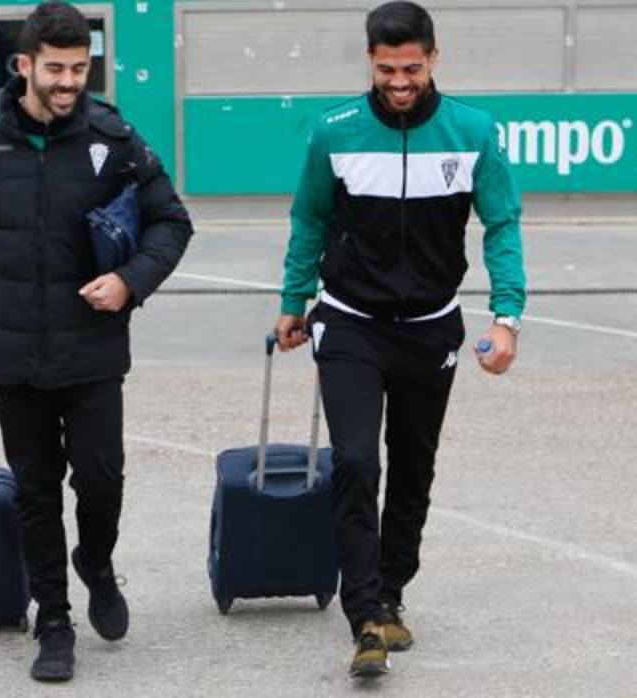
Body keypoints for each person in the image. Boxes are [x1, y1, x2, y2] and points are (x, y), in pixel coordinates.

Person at [0, 1, 193, 683]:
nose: (71, 80)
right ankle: (53, 621)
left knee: (101, 480)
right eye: (57, 68)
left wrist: (130, 281)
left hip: (92, 347)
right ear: (25, 66)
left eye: (80, 67)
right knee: (38, 494)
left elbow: (171, 222)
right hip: (12, 355)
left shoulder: (113, 137)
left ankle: (95, 561)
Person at [274, 1, 526, 679]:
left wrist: (507, 317)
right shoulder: (335, 132)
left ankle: (391, 591)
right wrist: (293, 302)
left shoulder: (473, 131)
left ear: (434, 58)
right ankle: (364, 617)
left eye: (411, 67)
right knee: (357, 461)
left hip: (430, 328)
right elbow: (309, 219)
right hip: (349, 321)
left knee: (413, 467)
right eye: (387, 69)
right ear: (371, 62)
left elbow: (501, 224)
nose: (400, 80)